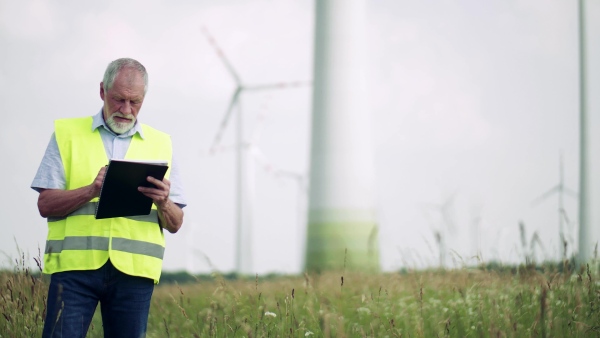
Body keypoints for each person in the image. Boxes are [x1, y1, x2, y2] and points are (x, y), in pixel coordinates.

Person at [31, 58, 186, 338]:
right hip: (75, 271)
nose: (126, 110)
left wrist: (164, 202)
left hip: (134, 275)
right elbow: (45, 205)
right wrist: (90, 190)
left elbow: (175, 223)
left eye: (135, 102)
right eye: (118, 99)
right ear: (102, 91)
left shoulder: (162, 144)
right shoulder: (67, 134)